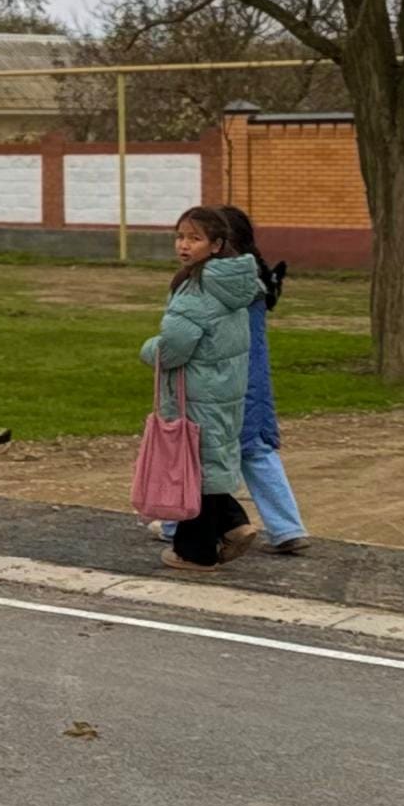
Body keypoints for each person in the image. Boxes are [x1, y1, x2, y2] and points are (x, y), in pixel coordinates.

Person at [140, 207, 261, 569]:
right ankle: (233, 524)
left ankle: (195, 552)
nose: (184, 245)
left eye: (195, 238)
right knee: (208, 458)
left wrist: (149, 350)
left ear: (216, 244)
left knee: (192, 464)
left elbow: (175, 346)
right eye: (180, 236)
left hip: (196, 391)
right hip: (224, 387)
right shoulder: (232, 284)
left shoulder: (197, 289)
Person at [207, 203, 308, 555]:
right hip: (253, 380)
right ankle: (287, 527)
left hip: (222, 380)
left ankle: (180, 523)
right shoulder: (255, 280)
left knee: (201, 451)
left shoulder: (220, 283)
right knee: (255, 450)